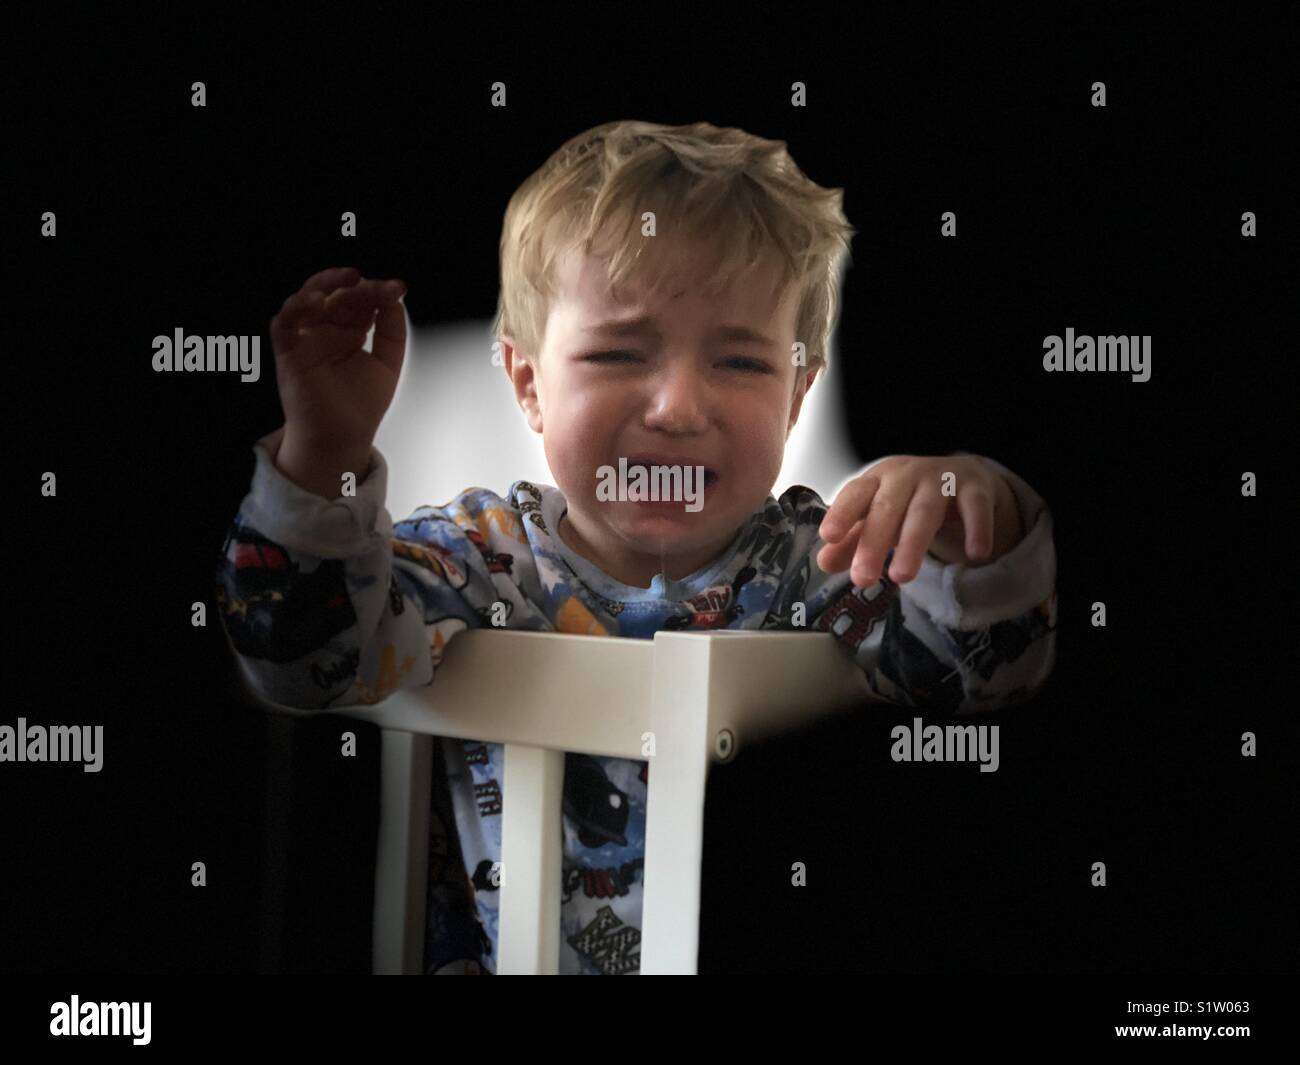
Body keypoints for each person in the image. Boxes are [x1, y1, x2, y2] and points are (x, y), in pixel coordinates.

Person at [215, 119, 1057, 975]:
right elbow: (298, 660)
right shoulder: (476, 560)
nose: (678, 407)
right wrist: (323, 457)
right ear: (529, 384)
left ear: (799, 395)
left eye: (741, 364)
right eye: (619, 351)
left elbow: (985, 675)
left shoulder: (825, 560)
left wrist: (969, 539)